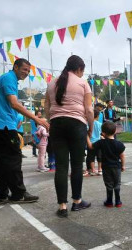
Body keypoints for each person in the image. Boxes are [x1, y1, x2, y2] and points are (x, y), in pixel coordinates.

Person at [0, 58, 49, 205]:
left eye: (28, 70)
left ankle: (0, 194)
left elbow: (13, 103)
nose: (26, 73)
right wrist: (37, 119)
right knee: (14, 159)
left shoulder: (9, 79)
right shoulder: (9, 79)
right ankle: (18, 193)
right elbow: (14, 104)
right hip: (4, 126)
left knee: (2, 161)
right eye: (24, 69)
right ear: (15, 67)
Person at [45, 55, 94, 218]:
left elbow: (47, 107)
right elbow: (89, 110)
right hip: (76, 124)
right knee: (77, 165)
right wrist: (90, 128)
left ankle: (62, 206)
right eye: (82, 71)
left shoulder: (52, 83)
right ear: (79, 69)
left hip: (56, 125)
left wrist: (50, 122)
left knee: (61, 166)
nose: (82, 74)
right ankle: (77, 202)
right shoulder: (83, 83)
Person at [86, 121, 125, 207]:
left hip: (106, 167)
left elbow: (90, 146)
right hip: (117, 167)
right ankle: (118, 202)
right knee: (117, 183)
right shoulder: (119, 144)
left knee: (109, 184)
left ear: (103, 133)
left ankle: (109, 201)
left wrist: (87, 136)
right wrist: (123, 166)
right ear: (115, 132)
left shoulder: (101, 143)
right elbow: (122, 156)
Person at [84, 109, 103, 177]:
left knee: (91, 157)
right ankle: (100, 169)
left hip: (91, 142)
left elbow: (87, 132)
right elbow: (101, 133)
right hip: (99, 142)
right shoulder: (100, 124)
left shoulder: (88, 124)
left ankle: (93, 170)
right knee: (100, 156)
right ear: (98, 116)